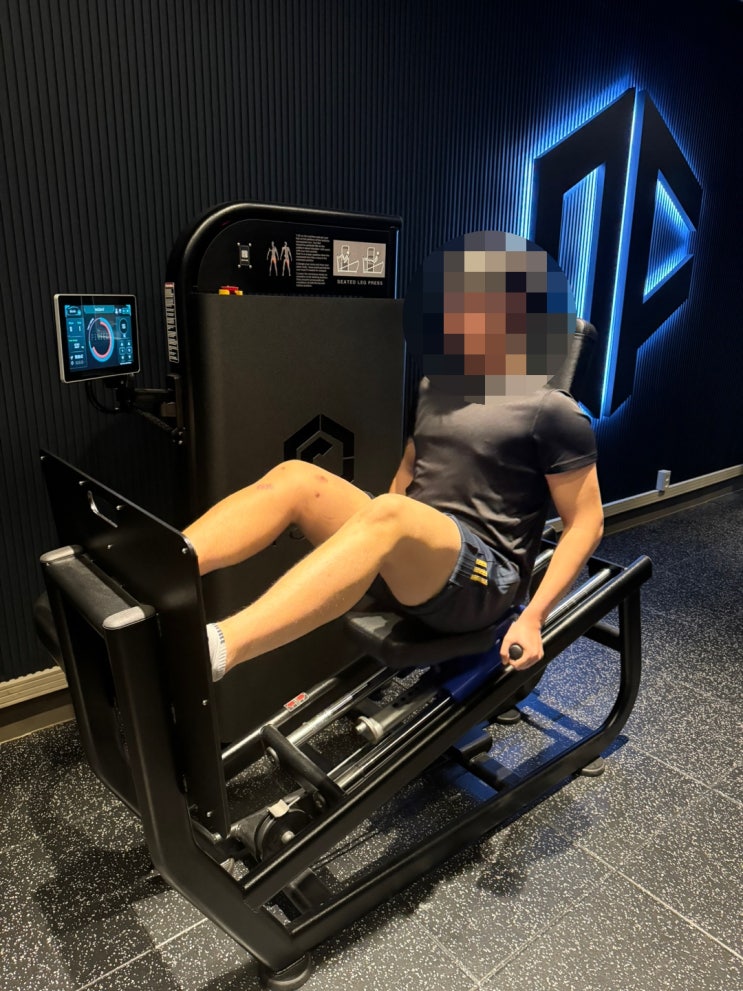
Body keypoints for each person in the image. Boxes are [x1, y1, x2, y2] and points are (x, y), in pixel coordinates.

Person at [185, 234, 604, 682]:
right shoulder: (436, 386)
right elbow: (407, 474)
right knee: (298, 479)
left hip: (482, 582)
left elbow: (587, 523)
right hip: (418, 561)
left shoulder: (552, 410)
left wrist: (534, 617)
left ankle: (217, 649)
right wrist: (373, 548)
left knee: (391, 513)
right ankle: (170, 570)